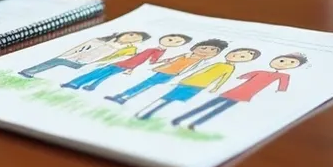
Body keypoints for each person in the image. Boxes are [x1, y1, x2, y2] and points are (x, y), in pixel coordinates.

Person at [172, 53, 306, 130]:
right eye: (282, 60)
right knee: (208, 105)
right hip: (235, 90)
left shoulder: (283, 76)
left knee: (218, 109)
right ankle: (180, 119)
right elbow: (244, 76)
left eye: (291, 63)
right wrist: (241, 77)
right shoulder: (260, 71)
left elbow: (283, 86)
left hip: (245, 94)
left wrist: (280, 91)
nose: (284, 64)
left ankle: (195, 124)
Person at [135, 47, 260, 121]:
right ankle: (145, 111)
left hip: (199, 86)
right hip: (188, 82)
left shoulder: (229, 68)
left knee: (175, 100)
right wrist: (180, 79)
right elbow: (198, 71)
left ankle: (152, 113)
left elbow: (223, 79)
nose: (236, 56)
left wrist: (216, 87)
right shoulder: (215, 63)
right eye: (235, 54)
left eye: (242, 57)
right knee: (167, 97)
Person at [104, 38, 225, 105]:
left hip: (171, 76)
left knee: (148, 86)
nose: (206, 51)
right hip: (162, 71)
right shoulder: (185, 55)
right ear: (194, 48)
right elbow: (170, 60)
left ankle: (125, 98)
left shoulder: (202, 63)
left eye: (213, 50)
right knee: (144, 84)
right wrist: (159, 63)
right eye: (204, 48)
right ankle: (121, 96)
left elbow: (191, 72)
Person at [62, 33, 189, 91]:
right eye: (171, 39)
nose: (172, 42)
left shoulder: (158, 51)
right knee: (102, 73)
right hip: (124, 62)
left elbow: (149, 61)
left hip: (126, 64)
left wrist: (166, 60)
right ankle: (82, 84)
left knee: (101, 74)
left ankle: (79, 84)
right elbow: (139, 56)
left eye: (178, 42)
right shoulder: (149, 46)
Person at [17, 31, 149, 79]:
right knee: (54, 62)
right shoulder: (99, 40)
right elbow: (80, 48)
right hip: (72, 57)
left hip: (86, 62)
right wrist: (67, 55)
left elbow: (112, 58)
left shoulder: (124, 49)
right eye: (131, 35)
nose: (130, 38)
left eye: (135, 38)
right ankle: (29, 71)